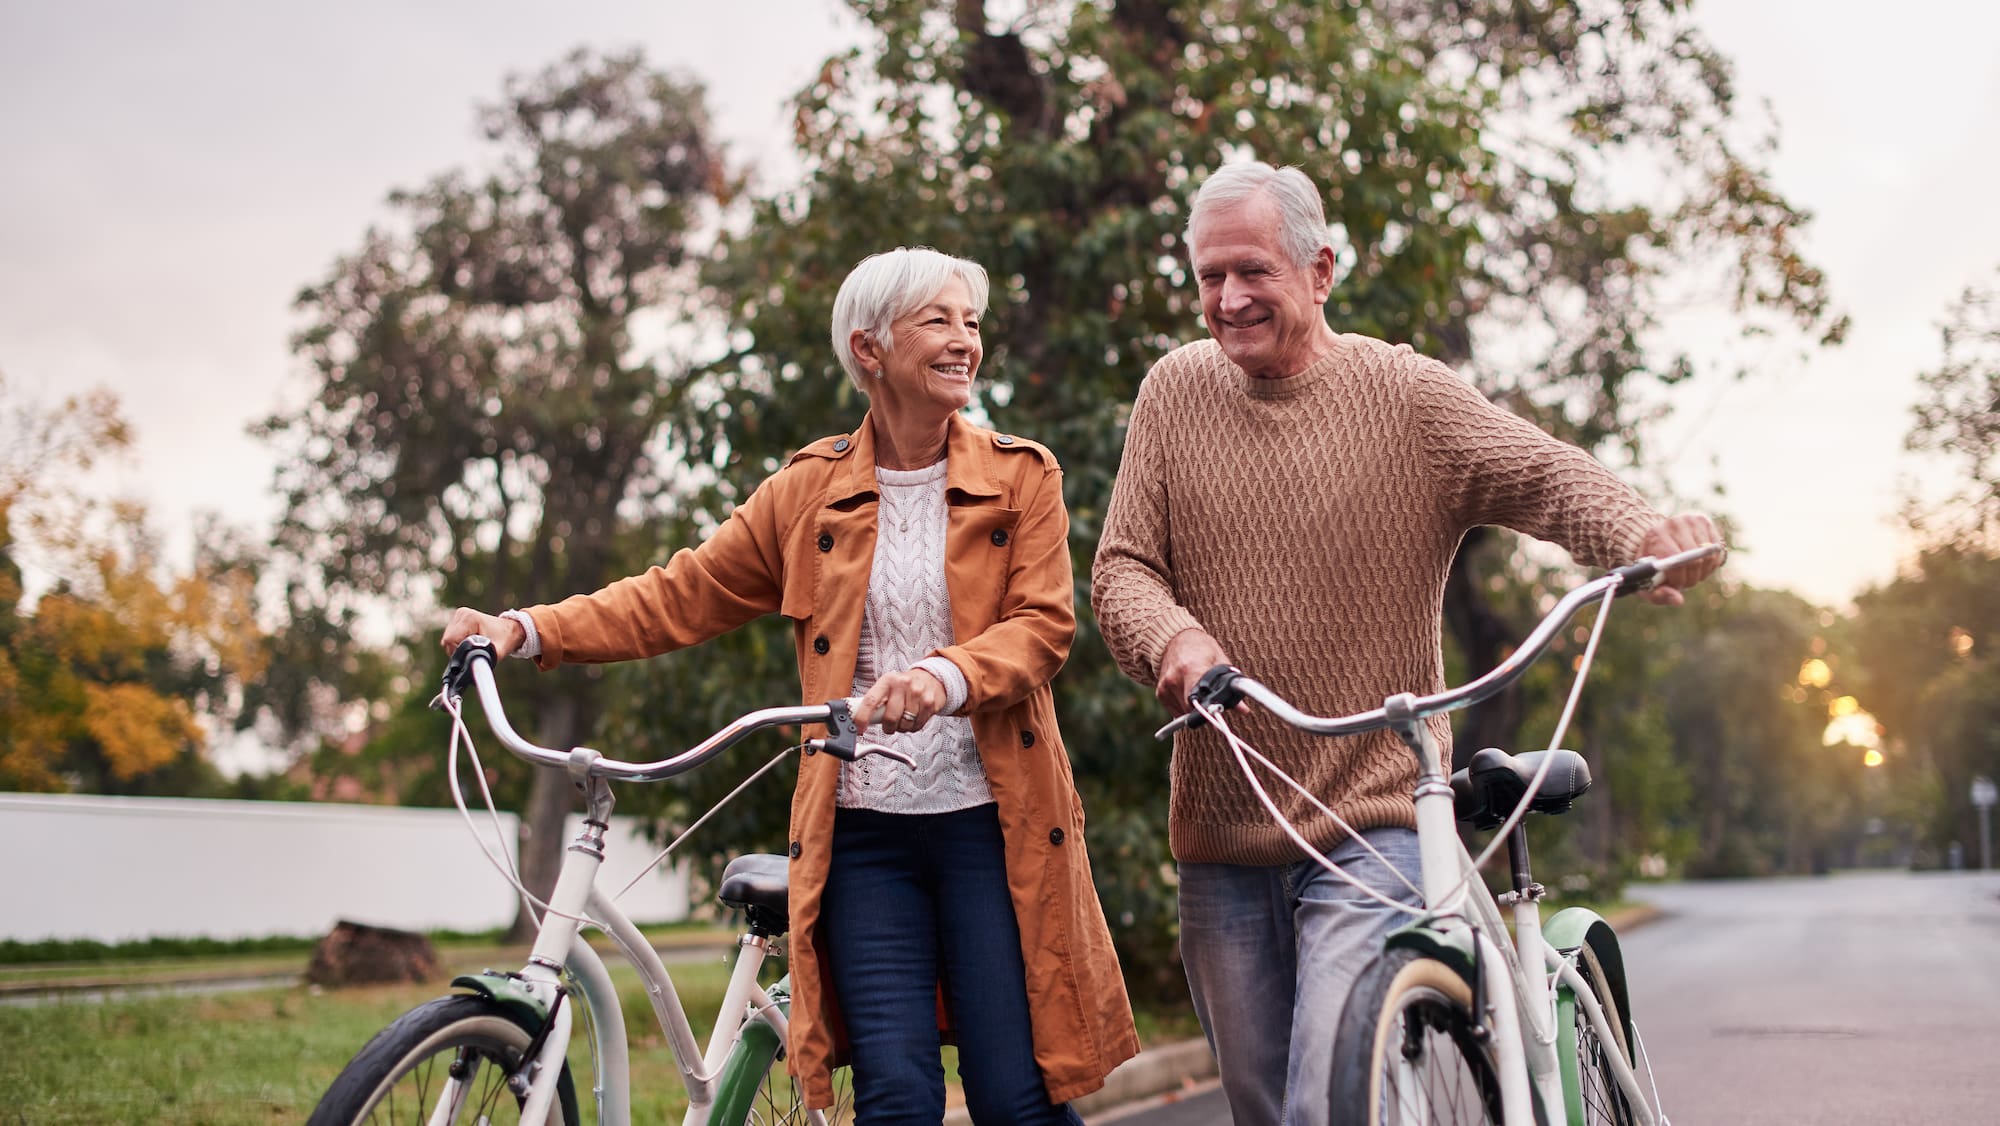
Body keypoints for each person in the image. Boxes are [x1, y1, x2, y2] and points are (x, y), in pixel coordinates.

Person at [441, 247, 1138, 1123]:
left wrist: (946, 675)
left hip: (989, 827)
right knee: (894, 1099)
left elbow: (1043, 627)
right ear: (870, 348)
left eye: (972, 322)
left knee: (1013, 1097)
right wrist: (526, 628)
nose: (965, 340)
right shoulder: (808, 491)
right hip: (862, 836)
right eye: (938, 321)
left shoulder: (1021, 476)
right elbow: (680, 594)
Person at [1090, 161, 1722, 1126]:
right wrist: (1172, 637)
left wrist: (1641, 534)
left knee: (1329, 1094)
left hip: (1374, 815)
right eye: (1210, 277)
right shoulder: (1174, 391)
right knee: (1265, 1109)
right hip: (1222, 833)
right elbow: (1122, 569)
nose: (1229, 298)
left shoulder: (1405, 395)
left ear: (1320, 271)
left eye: (1253, 271)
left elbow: (1544, 474)